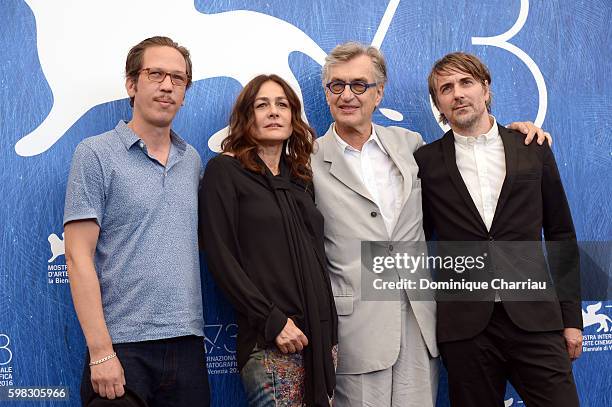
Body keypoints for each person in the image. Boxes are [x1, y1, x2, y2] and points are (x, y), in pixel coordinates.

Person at [310, 42, 551, 407]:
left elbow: (475, 145)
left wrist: (516, 133)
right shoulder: (306, 160)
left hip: (420, 322)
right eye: (336, 86)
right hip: (356, 328)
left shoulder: (412, 147)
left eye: (360, 85)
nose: (347, 95)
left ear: (379, 93)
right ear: (327, 93)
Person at [414, 52, 582, 406]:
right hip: (466, 330)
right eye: (446, 88)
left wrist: (572, 319)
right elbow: (415, 237)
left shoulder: (532, 148)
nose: (457, 94)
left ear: (485, 90)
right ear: (438, 105)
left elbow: (561, 235)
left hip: (536, 320)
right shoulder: (425, 163)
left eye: (466, 83)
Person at [64, 36, 210, 406]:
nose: (167, 86)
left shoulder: (191, 160)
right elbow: (77, 256)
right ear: (132, 84)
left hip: (187, 346)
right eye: (156, 74)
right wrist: (101, 352)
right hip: (122, 349)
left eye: (178, 79)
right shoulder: (95, 154)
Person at [199, 74, 338, 406]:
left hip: (320, 340)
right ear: (248, 117)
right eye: (262, 105)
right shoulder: (225, 172)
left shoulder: (301, 178)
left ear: (293, 117)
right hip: (271, 341)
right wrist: (272, 321)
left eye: (282, 104)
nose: (273, 112)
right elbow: (221, 257)